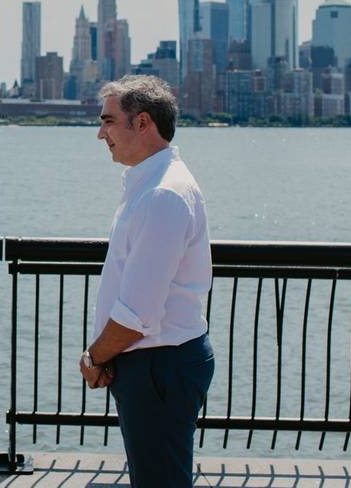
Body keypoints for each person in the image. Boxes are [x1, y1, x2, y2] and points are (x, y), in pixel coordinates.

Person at [79, 75, 214, 488]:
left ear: (142, 123)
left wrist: (95, 357)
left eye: (108, 121)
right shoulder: (151, 184)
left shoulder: (162, 196)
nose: (101, 134)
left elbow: (138, 313)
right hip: (156, 363)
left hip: (159, 366)